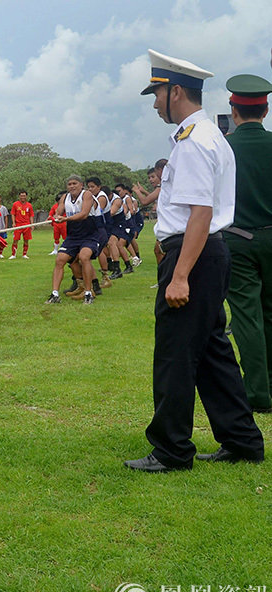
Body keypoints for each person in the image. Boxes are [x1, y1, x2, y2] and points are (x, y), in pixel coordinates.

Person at [124, 49, 264, 472]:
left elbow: (200, 212)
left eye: (157, 94)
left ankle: (171, 449)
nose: (154, 104)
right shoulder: (206, 136)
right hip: (202, 251)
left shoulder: (194, 141)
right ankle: (242, 440)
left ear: (177, 91)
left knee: (176, 353)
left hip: (196, 256)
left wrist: (180, 273)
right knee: (211, 352)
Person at [223, 73, 272, 414]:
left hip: (237, 239)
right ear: (265, 111)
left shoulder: (224, 146)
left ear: (234, 111)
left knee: (246, 317)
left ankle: (257, 392)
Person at [45, 175, 98, 305]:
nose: (72, 186)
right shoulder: (65, 197)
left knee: (84, 257)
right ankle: (55, 294)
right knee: (60, 259)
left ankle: (88, 293)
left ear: (81, 185)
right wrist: (55, 217)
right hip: (73, 236)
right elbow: (59, 211)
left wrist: (65, 219)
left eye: (75, 183)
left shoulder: (87, 195)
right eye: (69, 184)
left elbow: (84, 214)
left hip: (89, 234)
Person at [9, 191, 33, 259]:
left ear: (26, 196)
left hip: (27, 225)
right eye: (21, 196)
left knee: (26, 240)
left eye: (24, 196)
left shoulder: (29, 205)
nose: (23, 197)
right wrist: (13, 223)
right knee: (15, 240)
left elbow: (31, 215)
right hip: (18, 224)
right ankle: (13, 254)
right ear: (19, 196)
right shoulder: (15, 204)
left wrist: (32, 224)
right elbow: (13, 214)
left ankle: (24, 254)